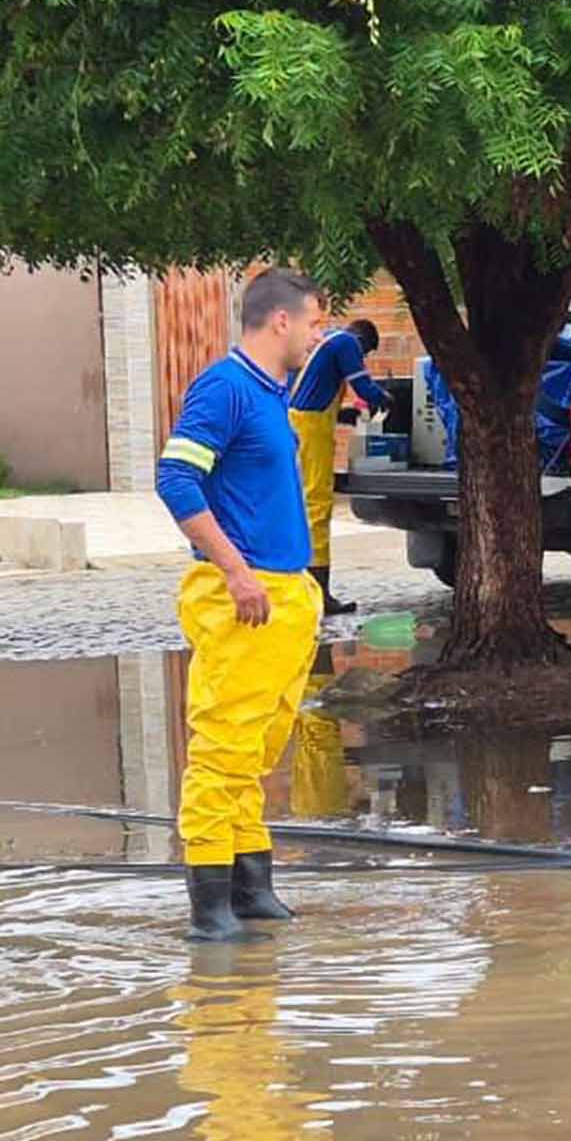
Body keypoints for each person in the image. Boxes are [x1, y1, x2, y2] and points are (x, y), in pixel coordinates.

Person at [156, 268, 327, 943]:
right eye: (315, 323)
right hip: (244, 598)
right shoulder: (226, 388)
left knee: (257, 745)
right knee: (223, 748)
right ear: (280, 321)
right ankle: (209, 907)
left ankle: (252, 887)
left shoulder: (270, 394)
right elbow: (176, 477)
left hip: (285, 596)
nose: (321, 335)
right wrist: (235, 572)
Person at [286, 318, 387, 617]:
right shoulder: (347, 343)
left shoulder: (324, 340)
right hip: (310, 428)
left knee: (299, 503)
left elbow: (312, 392)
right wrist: (387, 400)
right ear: (364, 342)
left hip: (296, 422)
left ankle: (300, 587)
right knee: (318, 504)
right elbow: (365, 389)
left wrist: (343, 415)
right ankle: (320, 594)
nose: (362, 357)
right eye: (365, 353)